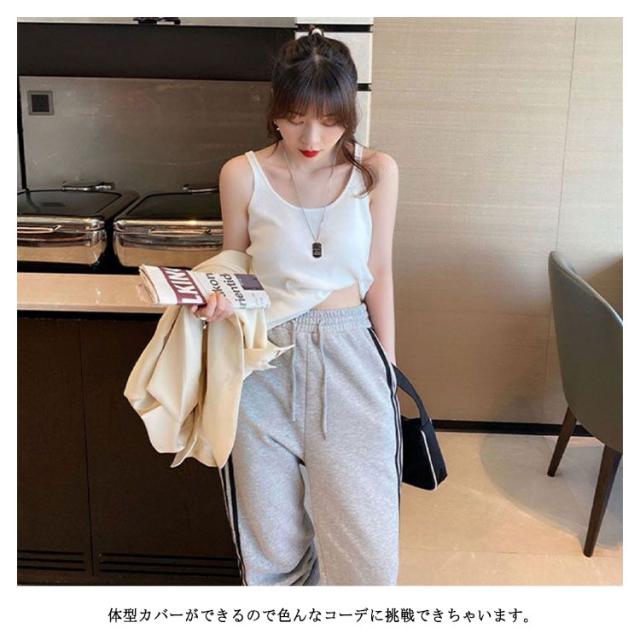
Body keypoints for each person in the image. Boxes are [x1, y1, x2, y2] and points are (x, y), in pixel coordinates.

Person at [191, 25, 402, 586]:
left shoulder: (376, 171)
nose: (312, 136)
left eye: (330, 120)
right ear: (275, 110)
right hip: (264, 359)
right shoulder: (242, 174)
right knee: (272, 548)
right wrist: (221, 300)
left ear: (348, 113)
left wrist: (387, 370)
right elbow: (236, 264)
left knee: (368, 555)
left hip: (350, 352)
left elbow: (380, 273)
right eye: (295, 117)